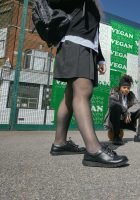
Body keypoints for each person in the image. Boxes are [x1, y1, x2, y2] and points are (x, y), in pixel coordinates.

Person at [48, 0, 128, 168]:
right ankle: (93, 149)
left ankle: (60, 142)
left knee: (70, 95)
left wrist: (99, 57)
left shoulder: (93, 5)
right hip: (75, 42)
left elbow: (92, 30)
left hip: (85, 45)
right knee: (83, 91)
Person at [104, 75, 140, 145]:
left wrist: (128, 111)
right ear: (120, 87)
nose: (126, 89)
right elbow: (112, 103)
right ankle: (116, 136)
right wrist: (125, 111)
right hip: (115, 121)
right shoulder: (114, 91)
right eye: (124, 87)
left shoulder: (131, 95)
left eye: (128, 88)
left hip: (127, 120)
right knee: (116, 107)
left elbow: (139, 104)